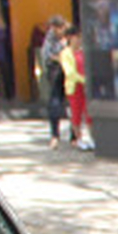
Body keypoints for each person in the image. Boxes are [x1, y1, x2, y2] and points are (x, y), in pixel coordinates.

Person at [35, 17, 70, 146]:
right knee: (55, 100)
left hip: (71, 69)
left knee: (72, 101)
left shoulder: (70, 35)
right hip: (55, 69)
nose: (57, 32)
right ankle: (55, 134)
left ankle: (74, 136)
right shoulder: (50, 38)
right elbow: (48, 55)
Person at [58, 29, 93, 151]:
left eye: (80, 37)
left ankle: (91, 138)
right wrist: (84, 80)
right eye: (76, 37)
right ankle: (79, 139)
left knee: (89, 113)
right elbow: (70, 72)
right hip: (75, 87)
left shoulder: (84, 51)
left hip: (86, 87)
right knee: (76, 113)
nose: (78, 40)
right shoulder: (65, 53)